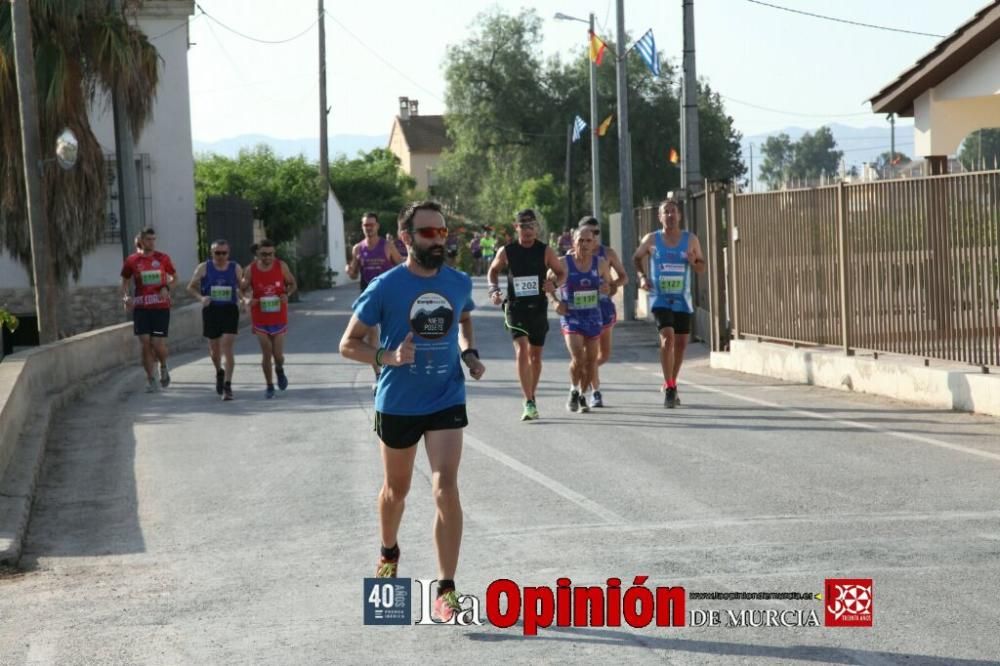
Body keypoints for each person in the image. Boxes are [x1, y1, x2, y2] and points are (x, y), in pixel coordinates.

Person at [339, 200, 485, 623]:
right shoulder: (385, 286)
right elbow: (348, 343)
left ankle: (447, 589)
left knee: (445, 487)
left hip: (445, 396)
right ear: (405, 239)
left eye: (443, 232)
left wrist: (470, 355)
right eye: (428, 233)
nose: (439, 240)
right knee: (396, 492)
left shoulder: (457, 282)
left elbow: (462, 323)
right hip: (399, 402)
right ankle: (389, 550)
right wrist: (387, 356)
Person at [487, 209, 566, 421]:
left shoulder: (545, 251)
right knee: (522, 349)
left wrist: (555, 284)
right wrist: (493, 290)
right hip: (515, 307)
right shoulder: (507, 251)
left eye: (532, 226)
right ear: (516, 228)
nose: (528, 230)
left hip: (538, 307)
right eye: (523, 226)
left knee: (536, 357)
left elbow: (561, 272)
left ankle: (531, 395)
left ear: (537, 228)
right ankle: (529, 401)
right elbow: (493, 271)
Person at [632, 196, 706, 408]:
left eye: (674, 211)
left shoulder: (690, 239)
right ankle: (671, 387)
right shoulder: (652, 239)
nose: (670, 215)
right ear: (660, 216)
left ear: (679, 216)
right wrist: (643, 277)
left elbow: (701, 267)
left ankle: (670, 382)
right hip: (660, 297)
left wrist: (694, 262)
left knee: (681, 345)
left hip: (683, 299)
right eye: (666, 212)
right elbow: (637, 257)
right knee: (668, 339)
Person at [550, 227, 611, 413]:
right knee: (578, 357)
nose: (584, 244)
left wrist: (607, 289)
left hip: (593, 316)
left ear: (594, 244)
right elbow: (547, 284)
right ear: (573, 242)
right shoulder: (563, 263)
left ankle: (582, 394)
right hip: (572, 317)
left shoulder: (600, 263)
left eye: (588, 241)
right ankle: (573, 390)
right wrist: (554, 302)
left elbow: (608, 284)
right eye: (580, 241)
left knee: (591, 360)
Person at [575, 216, 628, 407]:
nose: (592, 237)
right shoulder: (571, 255)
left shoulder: (608, 253)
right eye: (588, 233)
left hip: (603, 308)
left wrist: (611, 285)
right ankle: (595, 391)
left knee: (603, 355)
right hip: (580, 311)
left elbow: (624, 277)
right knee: (588, 353)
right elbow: (560, 277)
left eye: (596, 233)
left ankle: (584, 372)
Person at [347, 212, 404, 386]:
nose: (368, 228)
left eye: (371, 224)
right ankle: (379, 374)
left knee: (391, 332)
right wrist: (349, 269)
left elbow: (401, 267)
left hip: (389, 295)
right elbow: (354, 274)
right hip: (369, 296)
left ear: (377, 226)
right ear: (362, 227)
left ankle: (395, 364)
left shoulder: (387, 246)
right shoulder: (358, 248)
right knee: (372, 336)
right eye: (365, 225)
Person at [119, 228, 177, 393]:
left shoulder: (163, 258)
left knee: (157, 344)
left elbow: (175, 278)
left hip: (160, 307)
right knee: (145, 343)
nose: (152, 242)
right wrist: (125, 297)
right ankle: (150, 378)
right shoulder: (132, 260)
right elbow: (124, 281)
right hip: (141, 308)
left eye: (154, 239)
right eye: (149, 239)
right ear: (142, 241)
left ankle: (163, 366)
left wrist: (167, 287)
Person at [186, 238, 243, 400]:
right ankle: (219, 371)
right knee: (214, 349)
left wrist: (244, 298)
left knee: (227, 346)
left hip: (230, 310)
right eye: (217, 253)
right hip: (211, 310)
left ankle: (228, 385)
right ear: (212, 253)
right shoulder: (204, 268)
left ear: (228, 253)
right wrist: (201, 298)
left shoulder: (235, 267)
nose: (221, 256)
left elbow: (241, 287)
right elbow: (190, 287)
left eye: (224, 253)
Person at [242, 239, 297, 399]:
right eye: (264, 254)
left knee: (278, 355)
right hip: (260, 318)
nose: (268, 257)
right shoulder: (250, 270)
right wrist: (246, 299)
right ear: (257, 254)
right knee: (266, 353)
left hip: (278, 317)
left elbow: (292, 284)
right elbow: (242, 289)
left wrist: (287, 294)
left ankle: (279, 369)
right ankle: (269, 385)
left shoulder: (281, 266)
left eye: (271, 254)